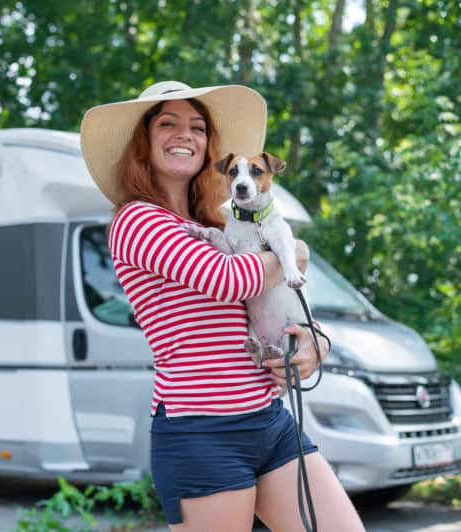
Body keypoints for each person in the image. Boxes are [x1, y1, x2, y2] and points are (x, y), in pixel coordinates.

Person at [80, 81, 365, 531]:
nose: (185, 134)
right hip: (201, 430)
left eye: (197, 126)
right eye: (167, 123)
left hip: (268, 420)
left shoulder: (218, 223)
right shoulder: (137, 219)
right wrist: (296, 253)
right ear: (143, 142)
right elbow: (227, 281)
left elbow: (279, 296)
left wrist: (315, 342)